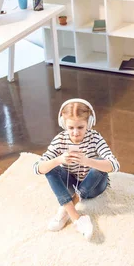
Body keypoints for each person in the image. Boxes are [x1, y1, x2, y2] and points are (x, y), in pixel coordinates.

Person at [33, 99, 120, 240]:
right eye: (71, 128)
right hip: (72, 185)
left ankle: (65, 210)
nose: (75, 133)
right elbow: (37, 168)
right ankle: (76, 217)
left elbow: (115, 165)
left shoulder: (95, 138)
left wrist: (88, 161)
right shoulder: (60, 140)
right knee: (50, 167)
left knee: (98, 163)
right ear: (64, 124)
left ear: (89, 123)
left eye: (80, 127)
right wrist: (59, 160)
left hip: (95, 187)